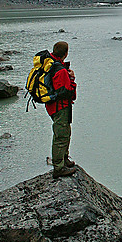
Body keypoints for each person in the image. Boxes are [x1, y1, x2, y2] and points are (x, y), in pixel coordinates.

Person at [47, 41, 77, 177]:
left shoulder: (51, 64)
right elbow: (66, 91)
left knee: (64, 133)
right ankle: (58, 168)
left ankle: (64, 159)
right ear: (66, 53)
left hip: (54, 106)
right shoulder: (60, 71)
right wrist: (72, 79)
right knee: (61, 135)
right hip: (61, 107)